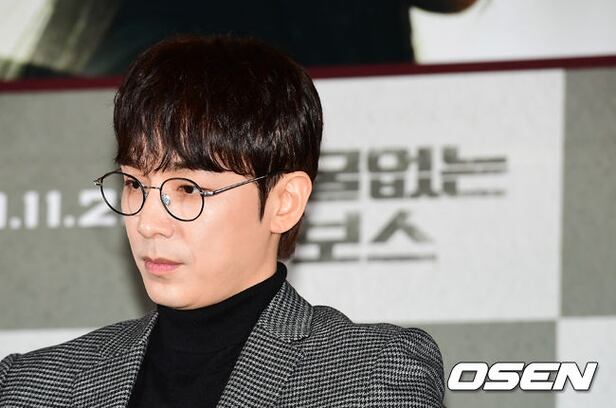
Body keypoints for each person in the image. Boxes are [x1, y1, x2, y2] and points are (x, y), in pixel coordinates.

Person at [0, 35, 445, 407]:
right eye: (135, 183)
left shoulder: (371, 373)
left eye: (188, 189)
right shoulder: (29, 385)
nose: (148, 223)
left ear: (285, 202)